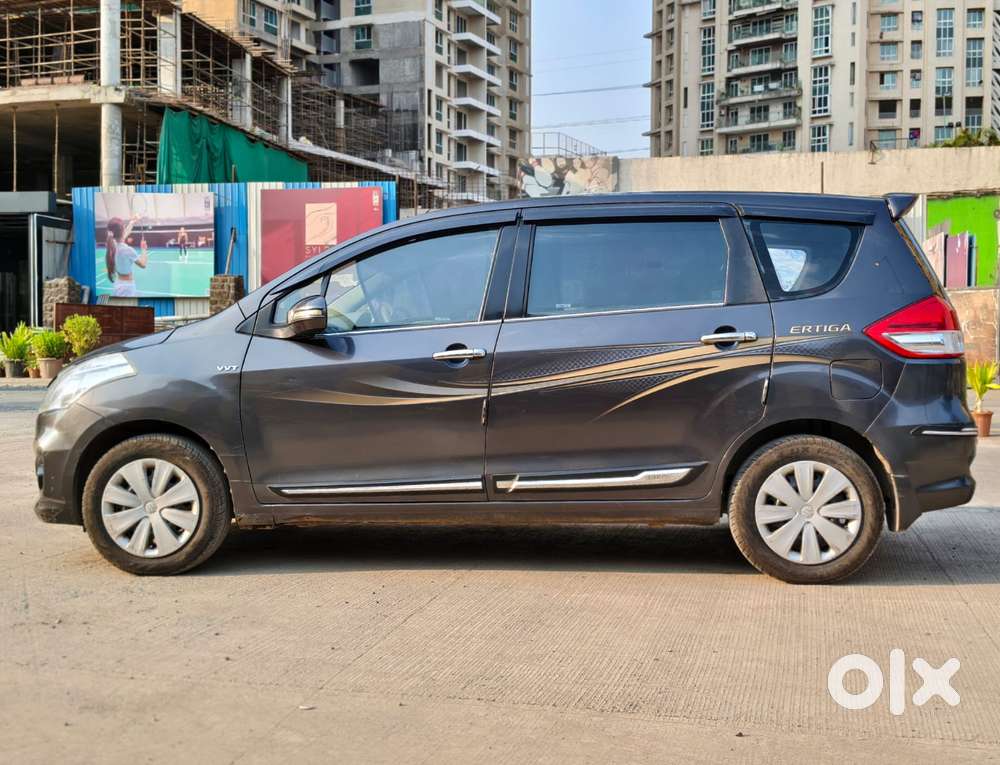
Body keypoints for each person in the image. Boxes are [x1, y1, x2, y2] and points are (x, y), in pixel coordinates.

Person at [105, 215, 148, 297]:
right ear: (122, 231)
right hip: (126, 288)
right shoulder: (127, 250)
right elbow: (143, 264)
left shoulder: (112, 244)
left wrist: (132, 222)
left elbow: (124, 234)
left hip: (118, 283)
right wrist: (143, 249)